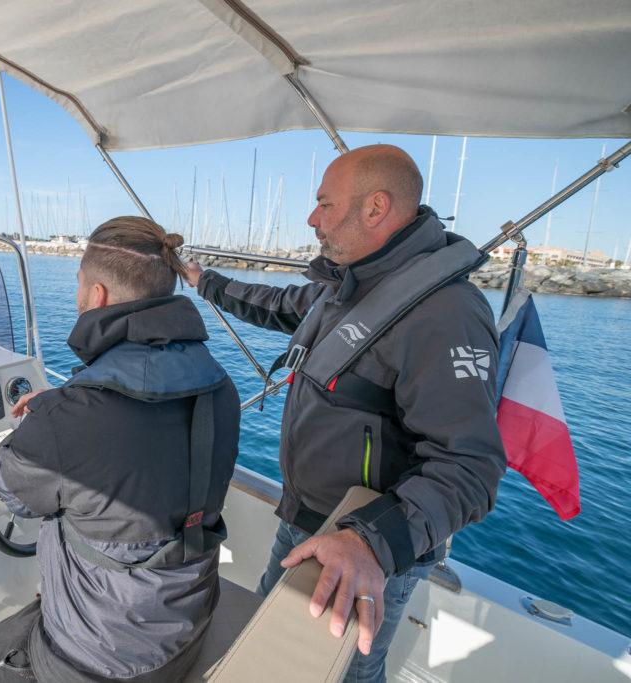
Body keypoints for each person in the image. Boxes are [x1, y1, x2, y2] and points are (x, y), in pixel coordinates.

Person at [185, 144, 506, 683]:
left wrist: (366, 541)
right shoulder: (349, 287)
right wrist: (205, 282)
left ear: (375, 208)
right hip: (305, 524)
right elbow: (279, 303)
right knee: (268, 653)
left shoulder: (445, 314)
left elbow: (470, 468)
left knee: (337, 676)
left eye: (324, 205)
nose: (312, 219)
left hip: (361, 550)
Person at [0, 217, 240, 682]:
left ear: (99, 296)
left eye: (78, 286)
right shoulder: (219, 384)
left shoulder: (69, 417)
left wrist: (45, 421)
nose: (76, 299)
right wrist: (62, 410)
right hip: (185, 622)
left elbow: (13, 495)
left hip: (99, 658)